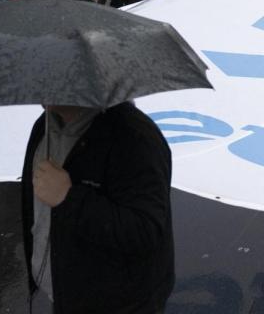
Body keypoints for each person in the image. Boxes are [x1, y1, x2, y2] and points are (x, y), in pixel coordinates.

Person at [22, 101, 175, 313]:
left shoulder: (135, 138)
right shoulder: (44, 126)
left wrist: (68, 198)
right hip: (65, 296)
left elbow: (144, 230)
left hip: (120, 304)